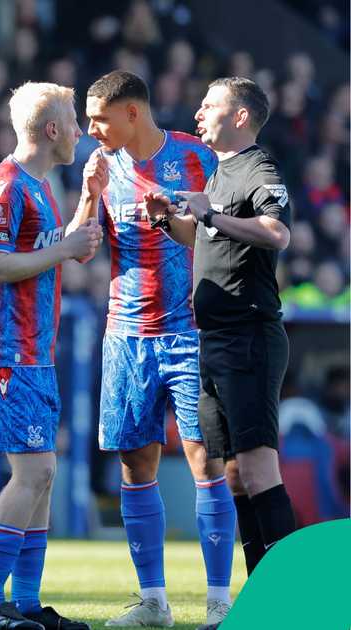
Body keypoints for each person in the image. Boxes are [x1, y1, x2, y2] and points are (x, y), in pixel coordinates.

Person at [75, 71, 235, 628]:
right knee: (134, 464)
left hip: (191, 331)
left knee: (205, 460)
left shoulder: (197, 159)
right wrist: (89, 196)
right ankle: (154, 603)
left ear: (132, 113)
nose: (91, 129)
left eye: (99, 118)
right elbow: (80, 249)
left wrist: (171, 219)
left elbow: (222, 239)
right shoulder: (102, 165)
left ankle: (219, 603)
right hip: (125, 333)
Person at [147, 77, 296, 630]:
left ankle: (286, 603)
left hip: (249, 337)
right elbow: (207, 237)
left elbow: (275, 233)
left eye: (210, 104)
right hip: (215, 340)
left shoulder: (257, 167)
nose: (199, 111)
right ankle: (263, 603)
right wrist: (171, 219)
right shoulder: (220, 171)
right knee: (233, 473)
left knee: (258, 469)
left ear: (240, 116)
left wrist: (207, 213)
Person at [0, 82, 98, 630]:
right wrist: (64, 250)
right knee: (34, 471)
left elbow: (51, 246)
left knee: (42, 477)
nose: (81, 131)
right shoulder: (4, 187)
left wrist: (88, 197)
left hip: (35, 352)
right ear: (51, 130)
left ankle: (26, 604)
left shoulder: (43, 186)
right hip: (5, 351)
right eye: (73, 121)